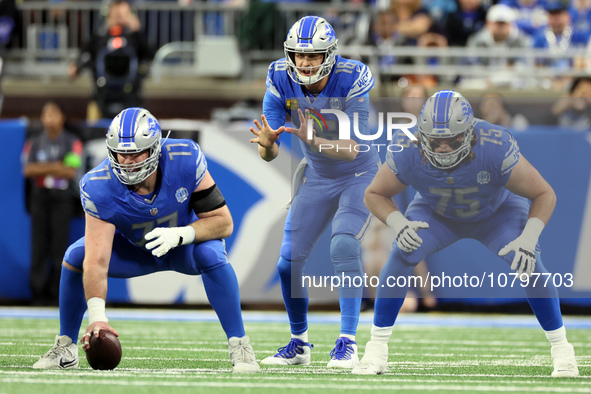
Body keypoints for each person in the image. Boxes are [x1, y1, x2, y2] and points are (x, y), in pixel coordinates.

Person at [352, 90, 579, 378]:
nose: (443, 148)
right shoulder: (406, 145)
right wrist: (397, 222)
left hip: (496, 214)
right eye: (435, 141)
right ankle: (376, 350)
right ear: (422, 134)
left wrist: (529, 237)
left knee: (529, 263)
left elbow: (544, 193)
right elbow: (374, 193)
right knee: (402, 251)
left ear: (470, 134)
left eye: (452, 140)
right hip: (436, 213)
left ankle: (562, 350)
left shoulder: (494, 144)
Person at [33, 107, 259, 373]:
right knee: (76, 256)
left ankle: (240, 345)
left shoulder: (184, 158)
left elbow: (223, 222)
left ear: (155, 148)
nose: (127, 161)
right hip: (133, 251)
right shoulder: (98, 184)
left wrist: (180, 234)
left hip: (181, 247)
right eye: (121, 153)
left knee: (212, 255)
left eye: (135, 153)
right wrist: (97, 318)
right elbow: (96, 259)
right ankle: (66, 346)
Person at [249, 16, 378, 368]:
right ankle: (299, 343)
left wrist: (313, 140)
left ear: (330, 55)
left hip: (357, 174)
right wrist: (266, 146)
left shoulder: (352, 78)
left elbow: (352, 149)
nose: (304, 62)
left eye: (313, 56)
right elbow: (270, 151)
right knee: (287, 264)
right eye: (299, 55)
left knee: (344, 244)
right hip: (318, 177)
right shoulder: (278, 78)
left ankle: (347, 341)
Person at [22, 101, 83, 306]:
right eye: (45, 114)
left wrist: (44, 168)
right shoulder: (34, 141)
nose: (49, 118)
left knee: (60, 246)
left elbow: (70, 170)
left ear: (62, 117)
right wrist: (55, 166)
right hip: (39, 198)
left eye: (53, 113)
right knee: (38, 245)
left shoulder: (72, 141)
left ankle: (57, 291)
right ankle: (37, 291)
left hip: (62, 199)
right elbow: (28, 170)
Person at [67, 0, 154, 119]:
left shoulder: (135, 38)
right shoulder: (100, 37)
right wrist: (76, 67)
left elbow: (150, 54)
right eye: (115, 11)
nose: (119, 16)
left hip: (130, 96)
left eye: (123, 13)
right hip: (102, 96)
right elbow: (84, 55)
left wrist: (137, 30)